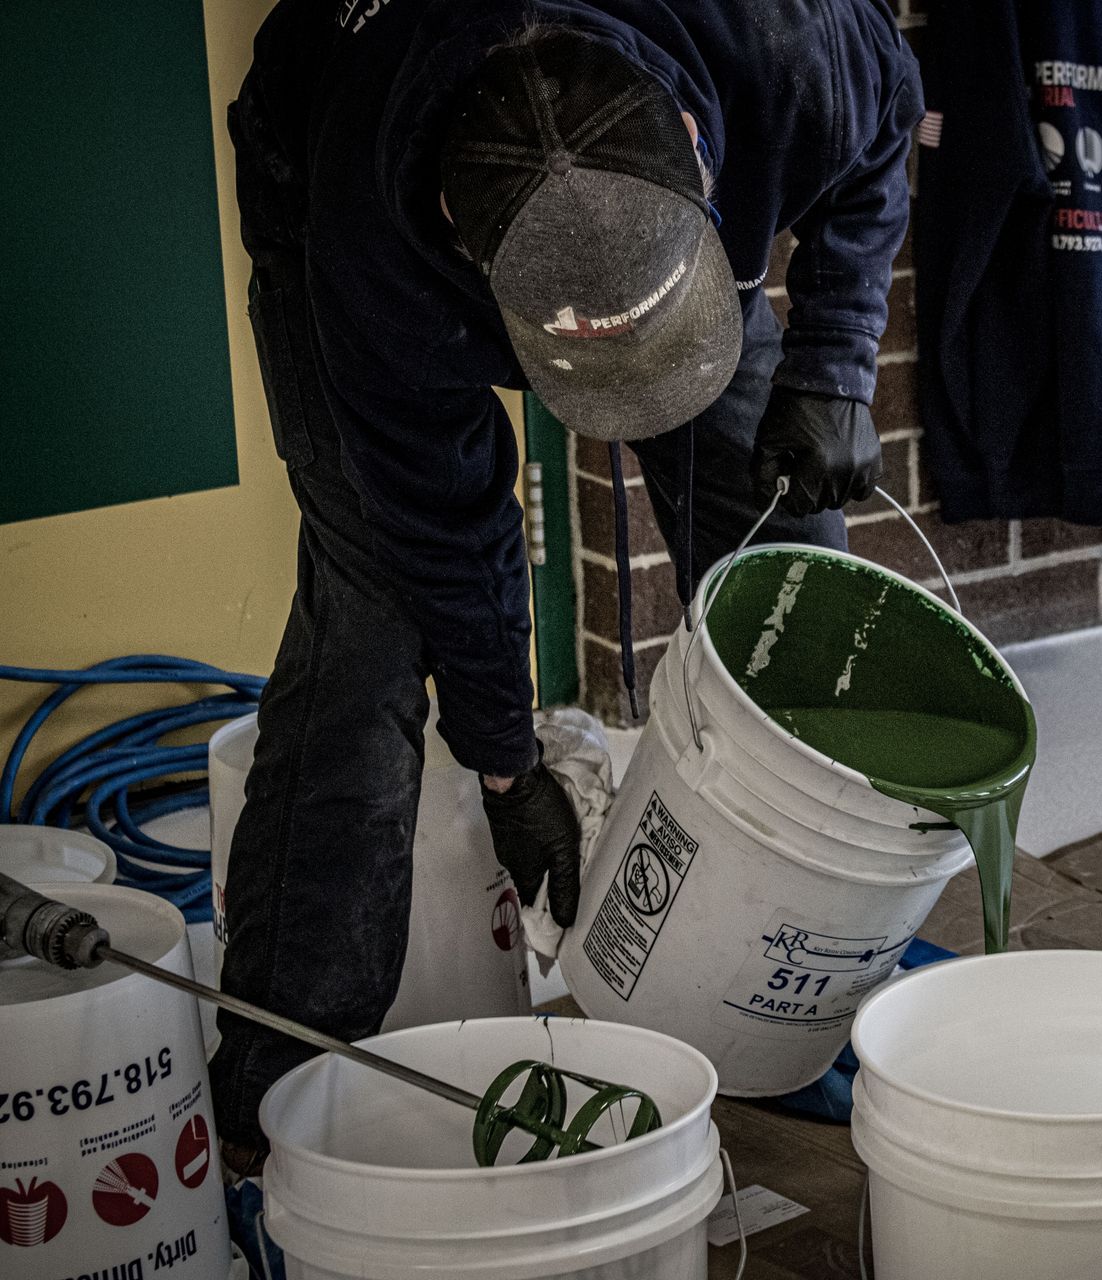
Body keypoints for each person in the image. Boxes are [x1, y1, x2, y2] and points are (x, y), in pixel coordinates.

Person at [213, 0, 918, 1171]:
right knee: (373, 614)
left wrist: (835, 361)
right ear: (460, 239)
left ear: (700, 142)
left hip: (657, 220)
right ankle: (283, 1070)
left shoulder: (781, 40)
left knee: (786, 569)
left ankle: (773, 1014)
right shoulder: (372, 239)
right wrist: (508, 761)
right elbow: (447, 527)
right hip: (327, 146)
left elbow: (890, 113)